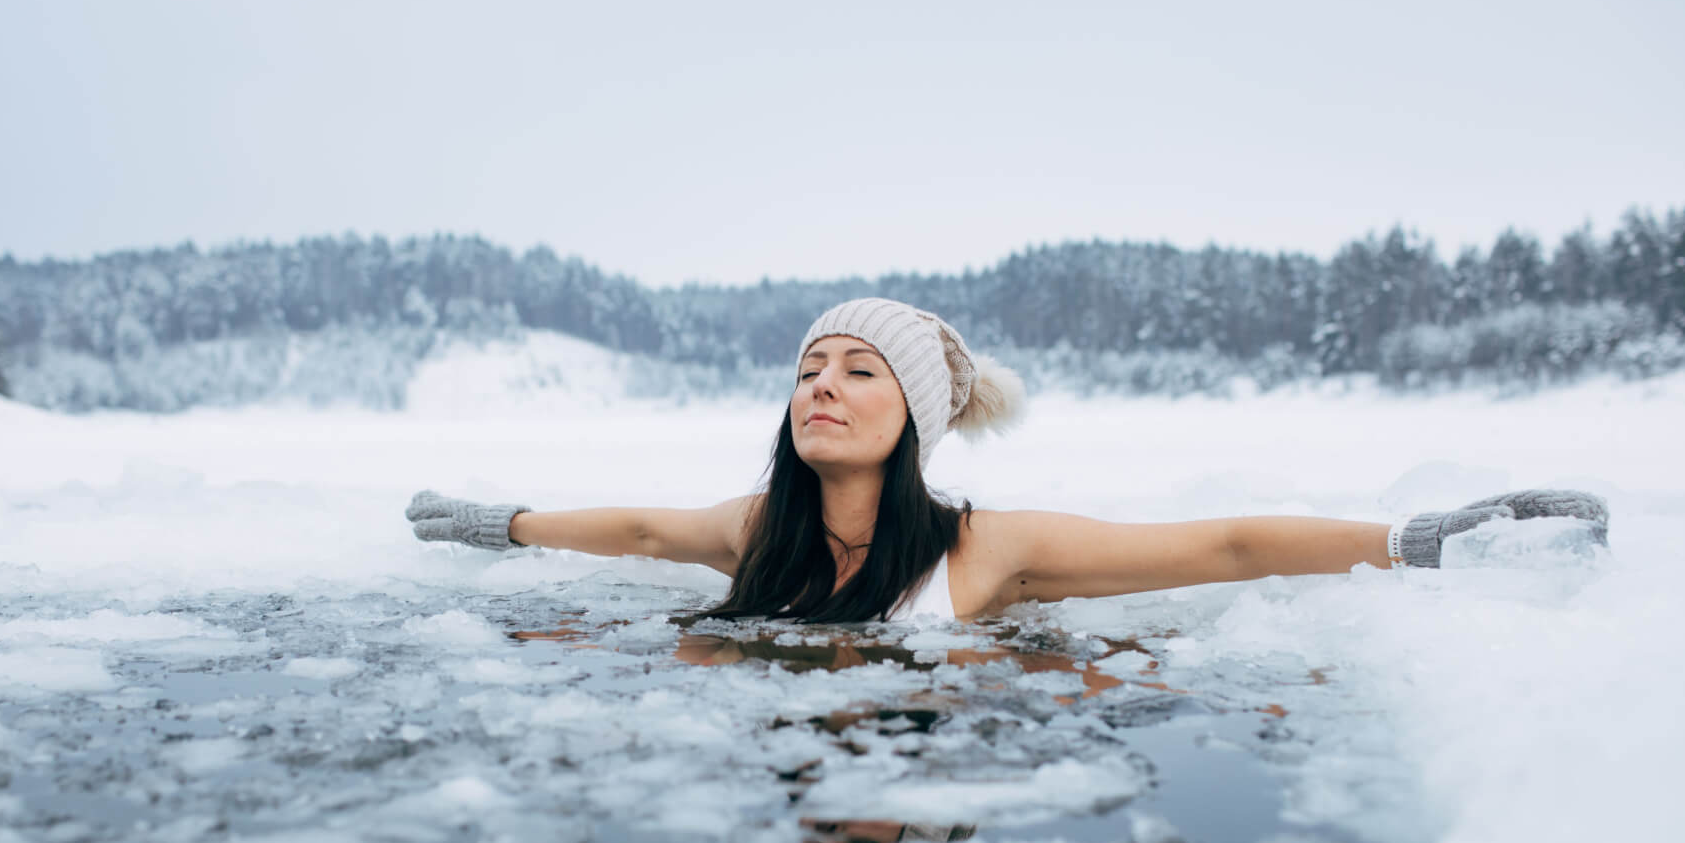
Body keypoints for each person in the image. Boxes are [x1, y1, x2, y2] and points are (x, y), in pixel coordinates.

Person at [406, 297, 1608, 623]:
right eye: (809, 367)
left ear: (916, 417)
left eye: (858, 371)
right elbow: (637, 530)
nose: (821, 386)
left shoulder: (990, 551)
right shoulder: (754, 529)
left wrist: (1411, 540)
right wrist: (499, 522)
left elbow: (1221, 546)